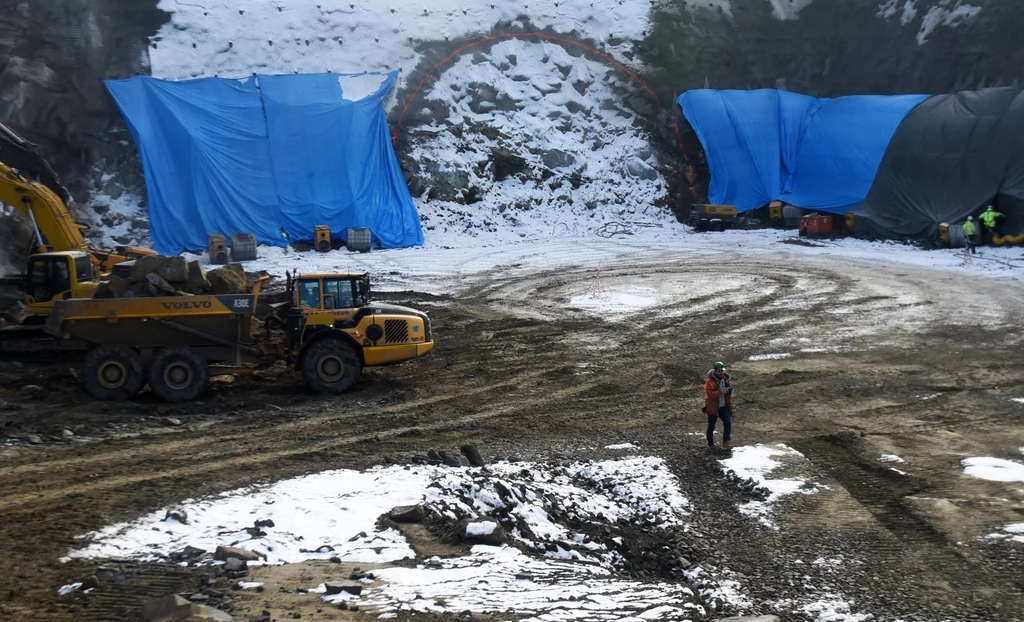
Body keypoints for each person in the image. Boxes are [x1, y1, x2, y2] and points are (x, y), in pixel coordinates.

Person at [703, 361, 734, 449]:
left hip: (724, 406)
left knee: (728, 423)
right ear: (715, 371)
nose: (721, 373)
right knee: (711, 426)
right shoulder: (710, 382)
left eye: (722, 371)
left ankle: (726, 441)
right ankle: (710, 443)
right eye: (719, 371)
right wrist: (720, 392)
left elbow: (729, 387)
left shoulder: (725, 378)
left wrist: (729, 389)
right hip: (713, 407)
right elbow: (709, 394)